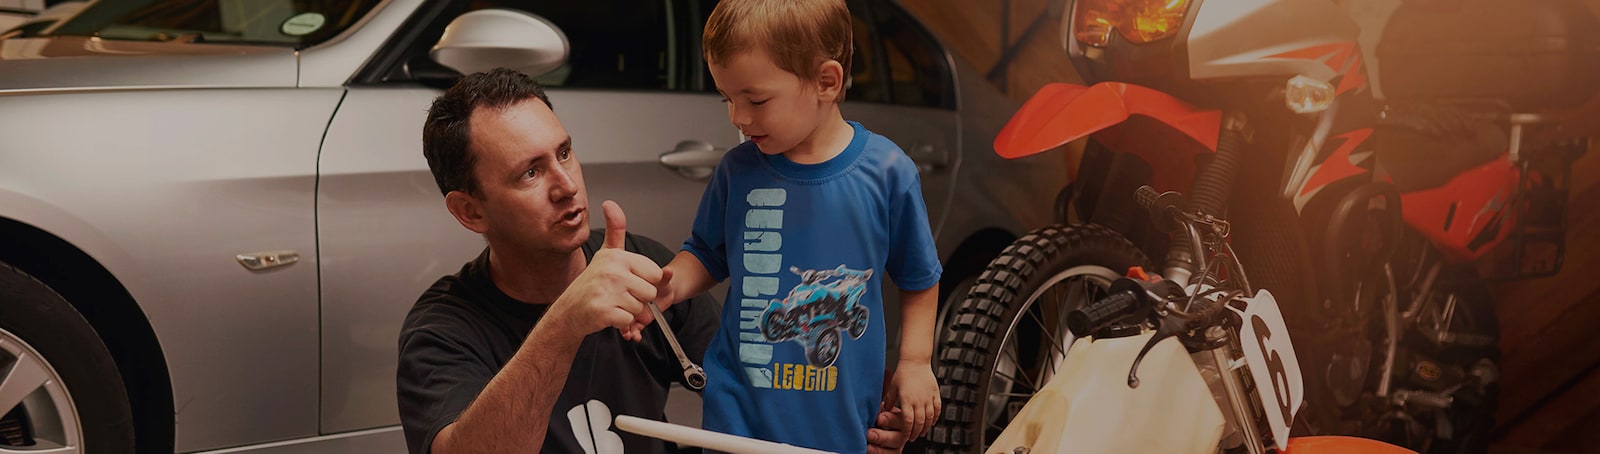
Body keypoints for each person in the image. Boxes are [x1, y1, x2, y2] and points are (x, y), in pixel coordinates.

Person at [395, 68, 912, 454]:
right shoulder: (443, 328)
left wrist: (868, 417)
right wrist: (565, 324)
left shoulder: (638, 267)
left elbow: (760, 374)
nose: (567, 184)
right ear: (469, 211)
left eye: (565, 152)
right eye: (529, 173)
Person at [649, 1, 944, 452]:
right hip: (736, 416)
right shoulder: (737, 171)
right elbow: (707, 253)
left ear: (827, 81)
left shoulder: (887, 172)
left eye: (756, 100)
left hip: (838, 423)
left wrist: (916, 362)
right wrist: (671, 284)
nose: (738, 118)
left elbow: (919, 276)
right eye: (728, 99)